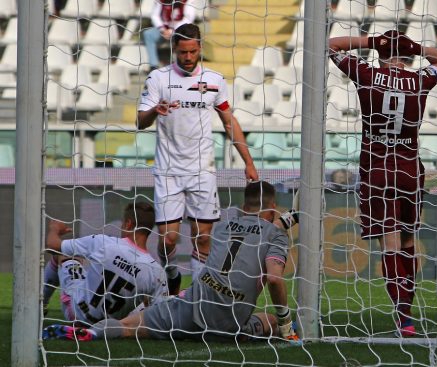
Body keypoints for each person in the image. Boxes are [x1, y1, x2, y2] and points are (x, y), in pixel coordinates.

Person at [43, 181, 301, 346]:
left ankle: (90, 333)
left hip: (190, 309)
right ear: (273, 208)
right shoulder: (274, 235)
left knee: (129, 328)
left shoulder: (222, 228)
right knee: (270, 321)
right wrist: (286, 322)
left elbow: (253, 229)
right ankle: (276, 328)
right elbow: (275, 277)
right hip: (228, 325)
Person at [328, 30, 437, 337]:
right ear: (408, 55)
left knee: (391, 246)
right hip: (410, 170)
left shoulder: (366, 72)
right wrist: (418, 47)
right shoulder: (420, 79)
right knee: (409, 242)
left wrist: (371, 42)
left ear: (380, 53)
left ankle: (403, 318)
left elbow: (330, 46)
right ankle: (408, 305)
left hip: (378, 170)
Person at [136, 23, 258, 295]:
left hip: (203, 170)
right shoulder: (158, 79)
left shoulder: (214, 80)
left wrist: (248, 162)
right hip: (168, 171)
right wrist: (156, 110)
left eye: (192, 52)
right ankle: (171, 274)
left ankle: (198, 298)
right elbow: (141, 121)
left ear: (200, 47)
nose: (188, 58)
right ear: (174, 50)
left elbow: (229, 122)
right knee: (169, 240)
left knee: (203, 238)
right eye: (182, 52)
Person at [41, 202, 169, 327]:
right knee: (146, 304)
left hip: (77, 315)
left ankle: (41, 305)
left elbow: (53, 245)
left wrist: (54, 229)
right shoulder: (157, 272)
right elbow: (160, 316)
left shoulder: (104, 242)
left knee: (63, 254)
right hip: (111, 327)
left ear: (128, 224)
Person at [143, 0, 197, 72]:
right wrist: (162, 29)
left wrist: (173, 30)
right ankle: (153, 66)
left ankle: (182, 65)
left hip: (180, 30)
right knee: (148, 34)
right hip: (164, 29)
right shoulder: (160, 0)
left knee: (186, 35)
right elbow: (154, 15)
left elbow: (188, 19)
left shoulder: (188, 1)